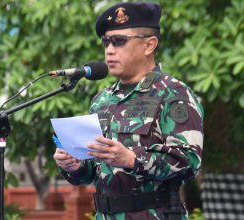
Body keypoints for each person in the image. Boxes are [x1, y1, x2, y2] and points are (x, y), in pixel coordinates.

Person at [53, 2, 203, 220]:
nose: (109, 50)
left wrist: (132, 160)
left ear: (149, 45)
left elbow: (189, 162)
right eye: (106, 42)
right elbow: (93, 171)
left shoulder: (173, 93)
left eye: (119, 42)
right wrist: (75, 165)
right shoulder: (102, 100)